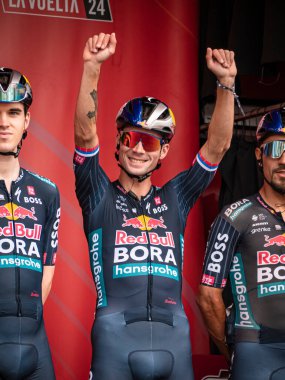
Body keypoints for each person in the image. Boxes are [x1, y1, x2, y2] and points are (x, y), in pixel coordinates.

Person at [73, 33, 236, 380]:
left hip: (173, 340)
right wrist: (92, 67)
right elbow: (86, 136)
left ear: (163, 152)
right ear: (117, 143)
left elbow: (218, 147)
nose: (138, 149)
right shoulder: (98, 193)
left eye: (150, 141)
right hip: (114, 343)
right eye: (130, 138)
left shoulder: (176, 196)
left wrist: (225, 84)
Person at [198, 109, 285, 380]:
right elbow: (208, 297)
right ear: (259, 154)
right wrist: (234, 351)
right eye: (276, 147)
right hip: (256, 353)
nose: (283, 159)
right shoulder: (235, 215)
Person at [0, 68, 60, 379]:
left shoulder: (48, 192)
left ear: (26, 120)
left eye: (12, 111)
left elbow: (47, 269)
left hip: (34, 344)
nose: (3, 122)